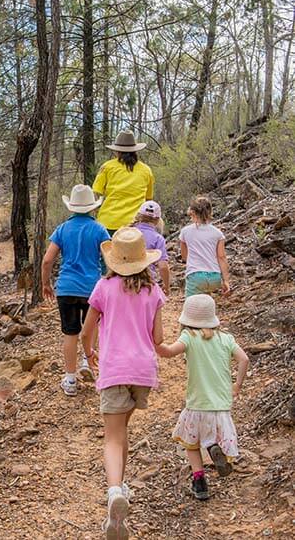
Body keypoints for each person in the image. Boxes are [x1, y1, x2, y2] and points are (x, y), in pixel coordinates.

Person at [80, 227, 165, 539]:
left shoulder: (104, 287)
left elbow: (87, 330)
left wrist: (89, 354)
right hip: (143, 370)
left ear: (114, 260)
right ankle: (122, 489)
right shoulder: (153, 292)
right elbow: (159, 339)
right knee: (123, 430)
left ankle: (114, 490)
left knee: (112, 438)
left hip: (114, 368)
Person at [155, 294, 249, 501]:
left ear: (187, 319)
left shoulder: (190, 337)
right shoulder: (226, 338)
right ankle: (214, 448)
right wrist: (237, 385)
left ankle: (199, 482)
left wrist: (154, 343)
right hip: (222, 405)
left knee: (191, 442)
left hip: (198, 404)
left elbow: (168, 352)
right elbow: (244, 359)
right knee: (211, 434)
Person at [42, 184, 110, 396]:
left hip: (67, 288)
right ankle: (87, 361)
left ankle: (70, 380)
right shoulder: (99, 229)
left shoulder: (62, 229)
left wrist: (46, 283)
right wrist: (109, 278)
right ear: (92, 207)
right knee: (93, 325)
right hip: (92, 288)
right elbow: (109, 256)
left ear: (71, 207)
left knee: (70, 333)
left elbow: (47, 260)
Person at [92, 130, 155, 236]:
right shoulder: (146, 170)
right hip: (135, 225)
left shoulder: (107, 167)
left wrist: (98, 211)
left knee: (107, 252)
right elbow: (148, 200)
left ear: (117, 151)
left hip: (108, 222)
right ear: (135, 151)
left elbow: (96, 193)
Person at [179, 196, 230, 297]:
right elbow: (222, 257)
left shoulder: (185, 231)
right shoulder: (218, 233)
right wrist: (226, 281)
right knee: (206, 305)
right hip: (215, 276)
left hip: (195, 275)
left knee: (191, 307)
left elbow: (185, 256)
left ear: (192, 212)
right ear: (210, 212)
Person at [131, 201, 170, 294]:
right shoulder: (158, 238)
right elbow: (163, 266)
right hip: (147, 282)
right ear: (157, 220)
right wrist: (166, 286)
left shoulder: (128, 232)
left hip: (125, 279)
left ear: (139, 215)